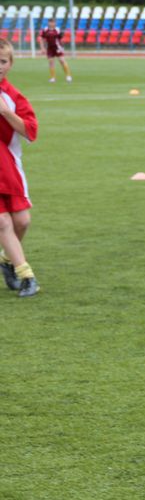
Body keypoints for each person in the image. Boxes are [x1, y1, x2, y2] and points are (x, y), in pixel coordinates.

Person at [0, 38, 40, 297]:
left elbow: (30, 131)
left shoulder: (13, 96)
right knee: (2, 223)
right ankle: (26, 276)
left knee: (22, 221)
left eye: (2, 61)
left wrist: (6, 113)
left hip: (8, 169)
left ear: (11, 64)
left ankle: (6, 261)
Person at [38, 18, 72, 83]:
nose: (52, 23)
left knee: (62, 60)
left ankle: (68, 76)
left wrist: (62, 48)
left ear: (55, 23)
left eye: (53, 22)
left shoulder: (57, 30)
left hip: (57, 48)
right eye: (50, 22)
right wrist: (42, 48)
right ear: (48, 23)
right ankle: (53, 78)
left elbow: (61, 39)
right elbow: (41, 39)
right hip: (50, 48)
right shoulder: (45, 30)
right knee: (51, 62)